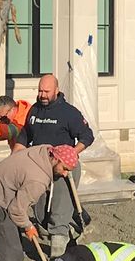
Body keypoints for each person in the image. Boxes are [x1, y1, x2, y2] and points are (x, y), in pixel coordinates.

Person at [19, 74, 94, 251]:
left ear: (56, 91)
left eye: (46, 91)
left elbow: (87, 136)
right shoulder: (34, 110)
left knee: (59, 212)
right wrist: (18, 152)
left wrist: (70, 154)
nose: (42, 95)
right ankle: (77, 221)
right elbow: (25, 135)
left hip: (63, 167)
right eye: (40, 91)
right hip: (40, 167)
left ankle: (57, 255)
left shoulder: (69, 113)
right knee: (41, 212)